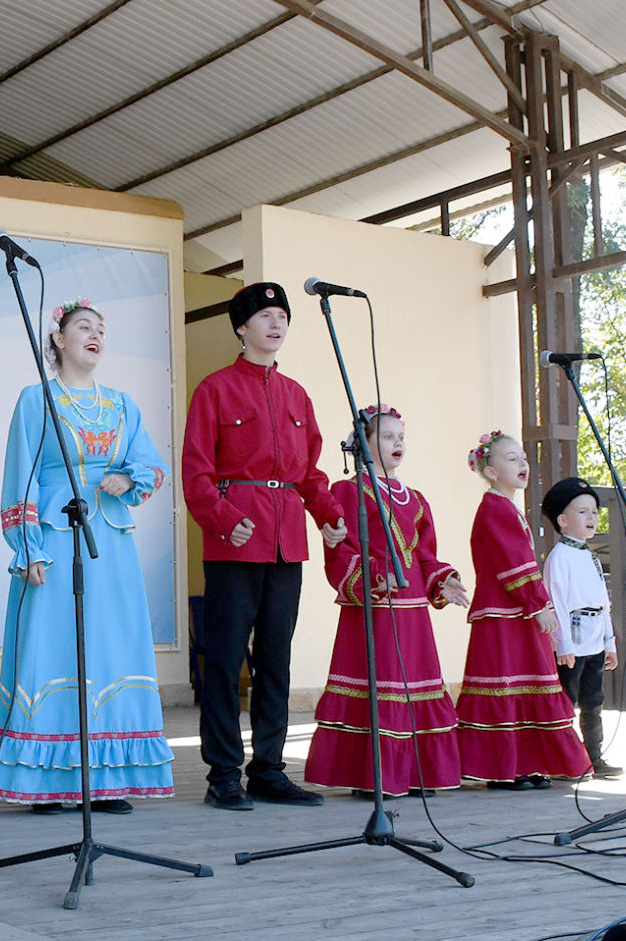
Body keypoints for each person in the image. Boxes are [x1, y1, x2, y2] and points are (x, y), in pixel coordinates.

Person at [0, 298, 175, 813]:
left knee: (112, 648)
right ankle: (47, 780)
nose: (95, 336)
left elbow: (151, 467)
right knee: (51, 650)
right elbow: (19, 473)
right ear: (58, 340)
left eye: (101, 330)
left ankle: (108, 775)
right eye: (83, 328)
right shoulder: (37, 399)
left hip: (107, 542)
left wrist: (127, 477)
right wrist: (29, 548)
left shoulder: (122, 403)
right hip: (53, 535)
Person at [181, 282, 346, 810]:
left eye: (283, 317)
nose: (277, 325)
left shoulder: (297, 395)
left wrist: (329, 515)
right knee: (226, 661)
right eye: (266, 316)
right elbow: (196, 474)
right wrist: (226, 520)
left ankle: (269, 770)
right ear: (241, 328)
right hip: (233, 544)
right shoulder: (214, 389)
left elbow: (309, 473)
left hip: (285, 543)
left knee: (276, 659)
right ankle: (223, 774)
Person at [303, 406, 468, 797]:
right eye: (389, 436)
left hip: (412, 616)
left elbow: (425, 555)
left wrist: (441, 579)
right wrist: (376, 575)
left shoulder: (417, 499)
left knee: (414, 688)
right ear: (363, 442)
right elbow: (340, 553)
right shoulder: (346, 492)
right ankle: (372, 776)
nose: (399, 444)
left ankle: (415, 774)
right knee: (377, 688)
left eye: (401, 437)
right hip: (374, 612)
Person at [454, 432, 591, 789]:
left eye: (524, 458)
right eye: (512, 459)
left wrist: (534, 606)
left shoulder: (507, 508)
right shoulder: (495, 509)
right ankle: (503, 768)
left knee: (524, 687)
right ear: (491, 470)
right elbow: (513, 564)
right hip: (504, 614)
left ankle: (526, 764)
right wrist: (538, 605)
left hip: (516, 613)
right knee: (507, 687)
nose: (523, 464)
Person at [539, 476, 622, 780]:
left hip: (594, 641)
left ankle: (595, 756)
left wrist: (609, 642)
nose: (591, 518)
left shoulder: (591, 556)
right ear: (562, 520)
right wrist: (564, 645)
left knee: (593, 701)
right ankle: (564, 759)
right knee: (566, 702)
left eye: (594, 512)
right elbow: (557, 602)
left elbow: (603, 601)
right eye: (583, 512)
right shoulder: (559, 557)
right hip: (572, 642)